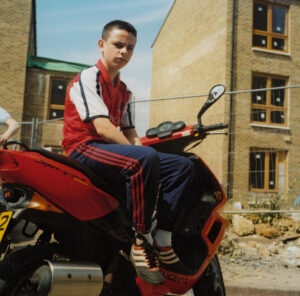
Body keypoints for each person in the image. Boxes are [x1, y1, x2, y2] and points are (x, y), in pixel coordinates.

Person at [62, 20, 194, 285]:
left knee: (182, 166)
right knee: (145, 159)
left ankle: (164, 239)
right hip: (83, 147)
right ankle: (140, 239)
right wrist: (143, 157)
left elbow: (130, 131)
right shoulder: (88, 77)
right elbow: (102, 127)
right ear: (102, 45)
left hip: (108, 149)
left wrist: (146, 154)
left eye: (130, 48)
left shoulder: (124, 91)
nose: (123, 52)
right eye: (118, 45)